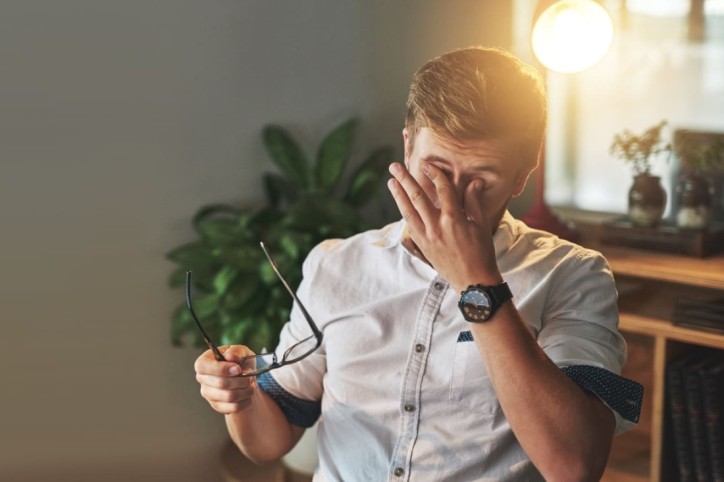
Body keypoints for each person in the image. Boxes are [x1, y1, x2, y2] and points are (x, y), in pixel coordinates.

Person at [193, 46, 642, 481]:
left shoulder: (573, 274)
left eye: (481, 181)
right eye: (435, 170)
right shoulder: (336, 264)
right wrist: (239, 395)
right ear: (407, 147)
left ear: (524, 173)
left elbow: (575, 466)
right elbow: (269, 443)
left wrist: (477, 281)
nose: (451, 200)